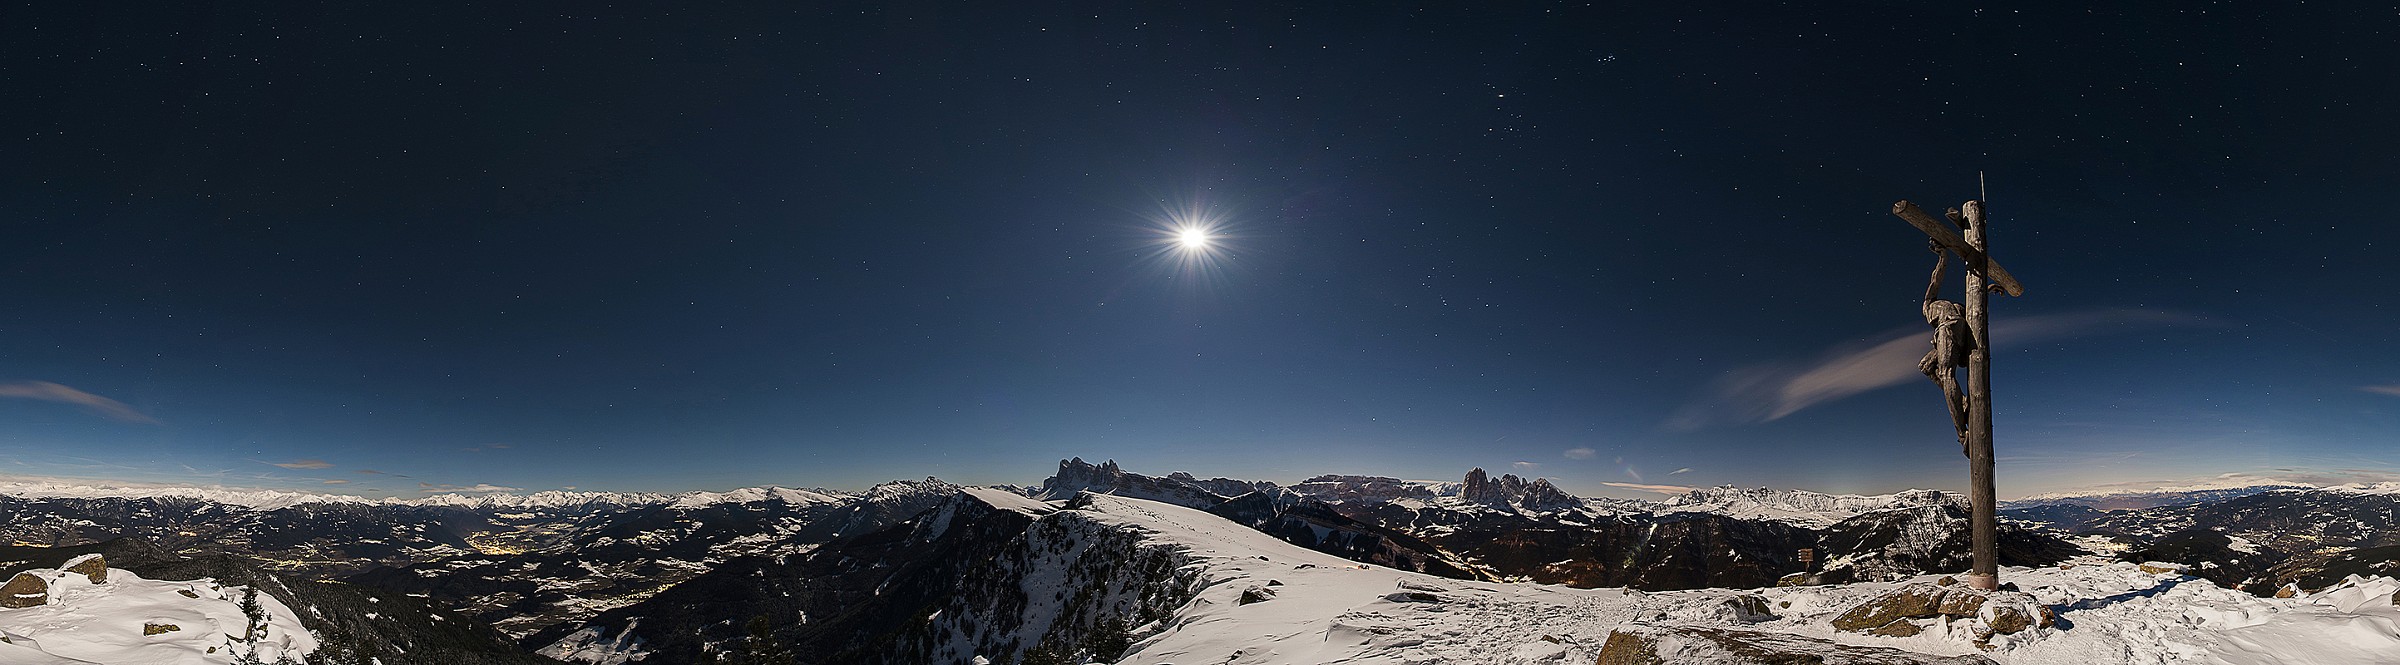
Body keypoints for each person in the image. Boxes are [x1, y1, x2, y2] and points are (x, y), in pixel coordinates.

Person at [1919, 239, 1974, 455]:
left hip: (1947, 328)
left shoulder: (1930, 305)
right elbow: (1975, 301)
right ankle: (1961, 400)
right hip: (1957, 331)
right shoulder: (1958, 307)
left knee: (1946, 373)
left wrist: (1943, 257)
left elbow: (1935, 280)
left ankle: (1962, 434)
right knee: (1925, 366)